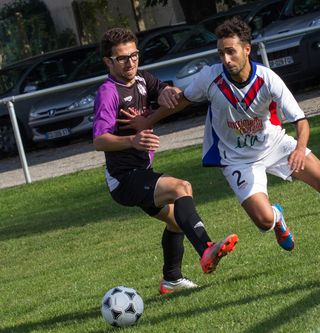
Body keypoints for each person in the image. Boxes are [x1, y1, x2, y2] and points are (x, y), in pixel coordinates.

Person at [118, 18, 320, 257]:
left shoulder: (267, 79)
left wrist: (299, 148)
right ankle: (277, 217)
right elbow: (183, 99)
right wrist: (147, 121)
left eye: (231, 51)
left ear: (247, 49)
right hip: (238, 160)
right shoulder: (210, 77)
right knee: (264, 223)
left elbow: (300, 120)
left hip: (275, 145)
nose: (226, 59)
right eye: (221, 53)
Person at [92, 28, 238, 295]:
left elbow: (164, 91)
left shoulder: (142, 79)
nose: (130, 62)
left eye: (134, 55)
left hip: (139, 173)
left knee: (176, 221)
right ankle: (207, 250)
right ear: (108, 61)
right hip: (124, 179)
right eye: (122, 58)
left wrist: (167, 92)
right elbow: (99, 140)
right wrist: (131, 141)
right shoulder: (108, 93)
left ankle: (171, 278)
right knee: (181, 187)